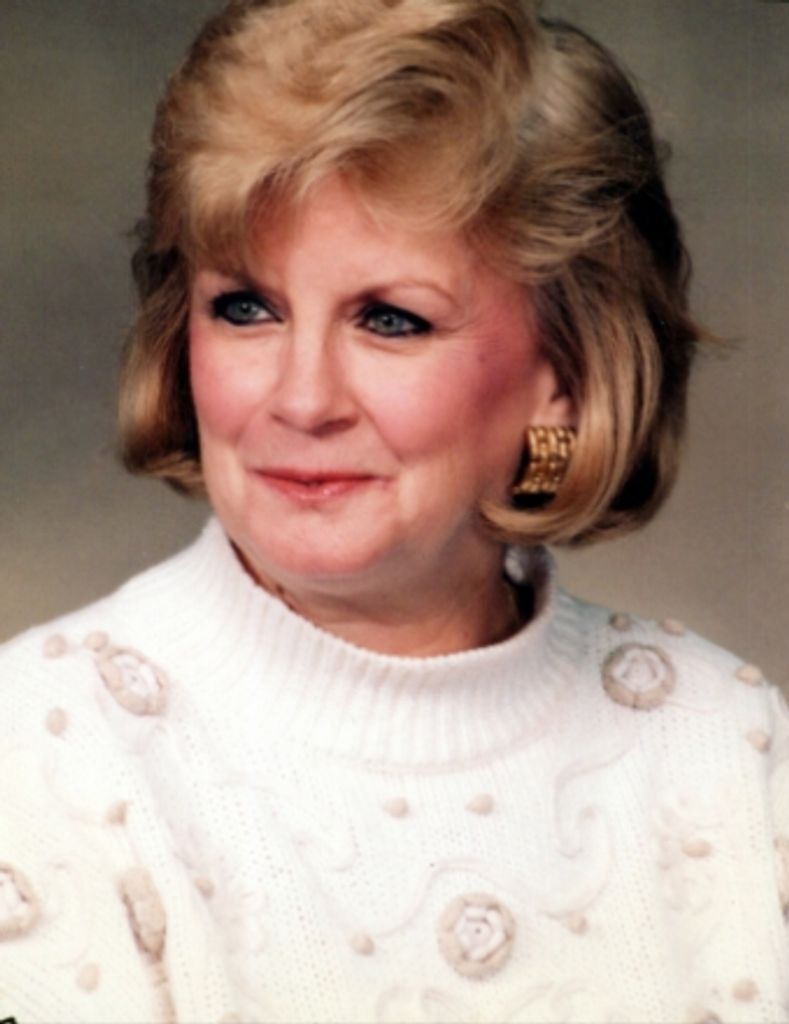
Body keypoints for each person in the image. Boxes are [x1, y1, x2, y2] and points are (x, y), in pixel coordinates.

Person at [1, 0, 787, 1021]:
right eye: (246, 308)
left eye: (389, 320)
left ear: (565, 375)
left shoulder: (728, 745)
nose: (302, 400)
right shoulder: (40, 751)